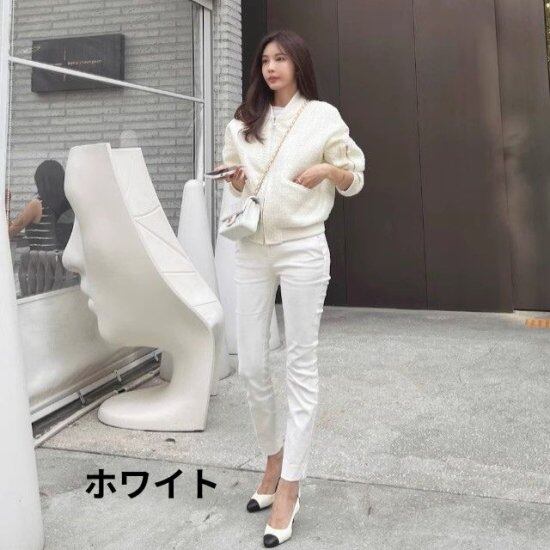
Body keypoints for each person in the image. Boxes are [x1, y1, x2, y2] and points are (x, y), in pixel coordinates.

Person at [215, 30, 365, 547]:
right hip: (252, 249)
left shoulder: (323, 116)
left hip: (303, 248)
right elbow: (240, 180)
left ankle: (290, 486)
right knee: (252, 364)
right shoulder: (242, 122)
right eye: (264, 60)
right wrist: (235, 179)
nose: (271, 67)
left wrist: (328, 170)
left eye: (280, 59)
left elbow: (356, 177)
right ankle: (273, 459)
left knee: (300, 364)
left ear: (298, 63)